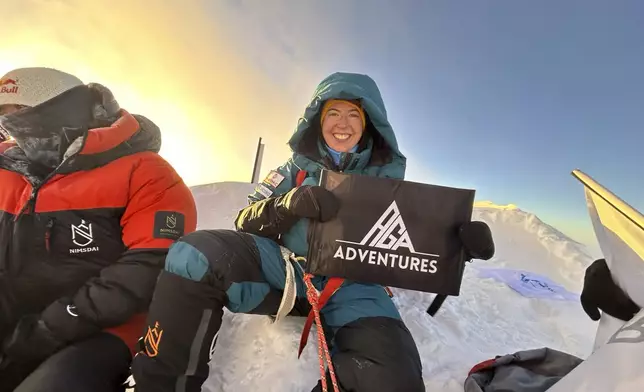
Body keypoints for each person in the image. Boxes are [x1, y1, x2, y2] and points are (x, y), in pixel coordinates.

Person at [130, 71, 495, 392]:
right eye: (332, 112)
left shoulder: (391, 185)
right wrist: (287, 204)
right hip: (285, 271)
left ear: (370, 124)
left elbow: (412, 244)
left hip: (354, 287)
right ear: (317, 120)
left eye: (354, 114)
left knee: (392, 377)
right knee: (193, 254)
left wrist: (457, 244)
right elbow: (245, 220)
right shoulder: (293, 169)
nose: (343, 122)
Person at [0, 67, 197, 391]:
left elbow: (150, 265)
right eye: (5, 120)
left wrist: (48, 328)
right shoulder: (8, 168)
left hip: (102, 330)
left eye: (19, 115)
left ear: (58, 108)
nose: (14, 132)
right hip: (15, 322)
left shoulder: (146, 173)